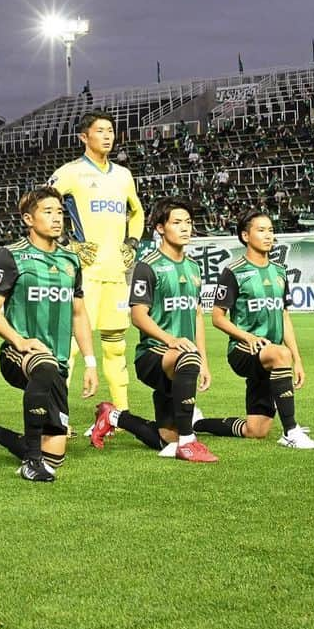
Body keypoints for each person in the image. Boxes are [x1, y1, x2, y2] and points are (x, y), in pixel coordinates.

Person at [0, 187, 97, 482]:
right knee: (44, 364)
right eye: (48, 212)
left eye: (60, 212)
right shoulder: (11, 256)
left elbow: (79, 313)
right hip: (18, 353)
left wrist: (90, 362)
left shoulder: (71, 261)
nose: (56, 218)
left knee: (56, 456)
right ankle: (31, 463)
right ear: (28, 218)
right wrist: (20, 341)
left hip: (57, 363)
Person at [89, 198, 217, 462]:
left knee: (163, 440)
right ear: (160, 228)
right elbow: (138, 315)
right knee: (187, 362)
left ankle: (112, 415)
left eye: (189, 223)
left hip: (182, 358)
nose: (185, 228)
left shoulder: (194, 267)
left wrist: (203, 359)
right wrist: (172, 340)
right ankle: (189, 441)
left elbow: (196, 315)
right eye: (177, 222)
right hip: (153, 355)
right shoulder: (149, 266)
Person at [193, 209, 314, 449]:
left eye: (271, 230)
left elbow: (284, 316)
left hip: (270, 355)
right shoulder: (233, 272)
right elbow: (218, 318)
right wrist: (247, 336)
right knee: (280, 353)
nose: (268, 235)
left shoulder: (280, 271)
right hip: (243, 350)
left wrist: (298, 360)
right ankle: (290, 431)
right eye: (261, 230)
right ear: (245, 235)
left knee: (256, 430)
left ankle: (197, 423)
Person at [49, 110, 144, 416]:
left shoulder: (123, 175)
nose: (107, 136)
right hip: (84, 275)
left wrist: (132, 242)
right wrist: (67, 244)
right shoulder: (70, 172)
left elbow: (137, 212)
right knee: (72, 347)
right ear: (83, 137)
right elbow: (41, 204)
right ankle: (59, 418)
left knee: (116, 346)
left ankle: (122, 415)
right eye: (100, 130)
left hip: (115, 273)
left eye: (111, 131)